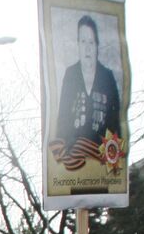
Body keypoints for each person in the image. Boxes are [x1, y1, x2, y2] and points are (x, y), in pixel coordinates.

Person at [52, 14, 121, 157]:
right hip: (75, 160)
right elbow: (63, 120)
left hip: (102, 160)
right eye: (83, 41)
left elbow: (116, 123)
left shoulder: (107, 77)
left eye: (91, 42)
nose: (87, 48)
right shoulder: (71, 75)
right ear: (78, 44)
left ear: (97, 46)